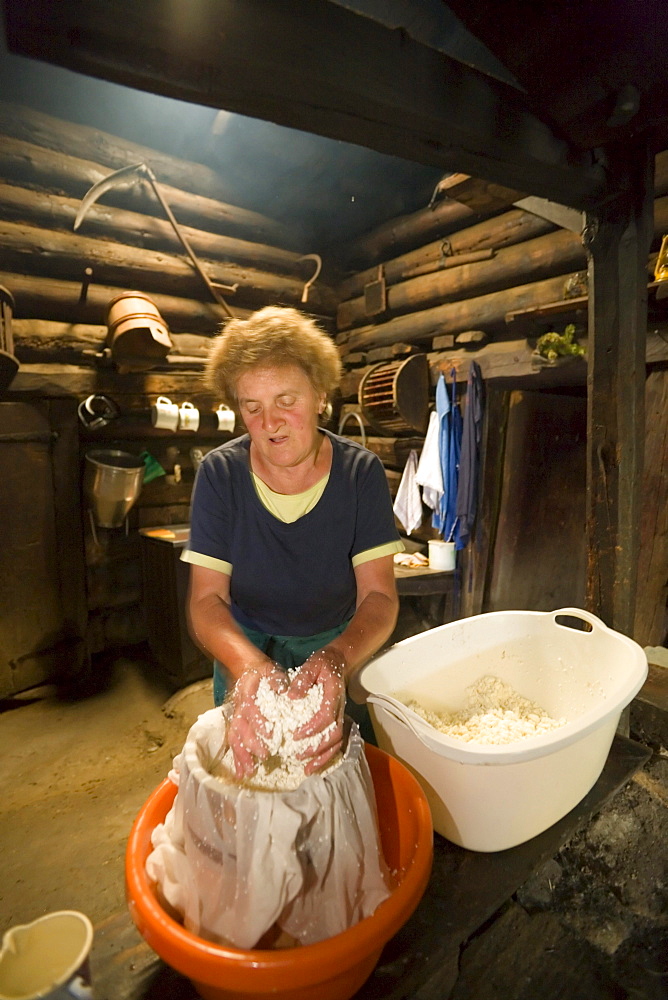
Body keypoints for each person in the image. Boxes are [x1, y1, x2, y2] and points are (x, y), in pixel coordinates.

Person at [183, 305, 403, 780]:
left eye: (286, 400)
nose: (270, 424)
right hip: (243, 646)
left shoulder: (358, 472)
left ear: (320, 395)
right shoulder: (220, 474)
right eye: (253, 407)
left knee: (340, 772)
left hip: (338, 643)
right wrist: (249, 670)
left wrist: (337, 660)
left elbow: (380, 596)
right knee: (252, 772)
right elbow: (207, 599)